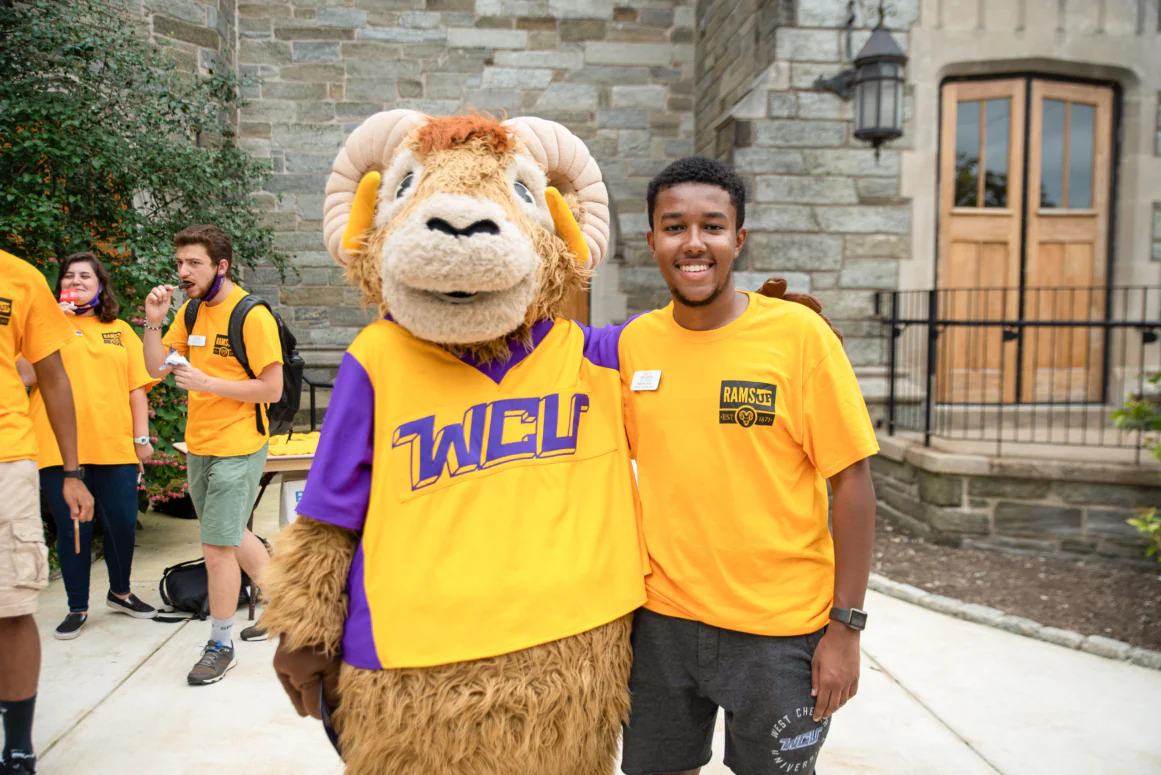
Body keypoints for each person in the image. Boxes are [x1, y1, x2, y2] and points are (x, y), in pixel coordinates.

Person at [616, 158, 879, 775]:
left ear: (739, 238)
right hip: (662, 624)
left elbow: (853, 482)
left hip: (780, 632)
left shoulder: (798, 337)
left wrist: (846, 627)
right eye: (674, 226)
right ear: (652, 239)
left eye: (712, 225)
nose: (693, 243)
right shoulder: (634, 345)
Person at [141, 225, 283, 686]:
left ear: (220, 265)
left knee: (216, 548)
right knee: (231, 533)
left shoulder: (251, 315)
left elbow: (273, 388)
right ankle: (288, 608)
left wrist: (208, 384)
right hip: (200, 444)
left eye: (193, 263)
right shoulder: (191, 310)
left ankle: (219, 644)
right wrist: (154, 322)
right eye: (180, 263)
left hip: (239, 444)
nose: (183, 272)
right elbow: (156, 368)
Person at [17, 253, 159, 640]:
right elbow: (24, 375)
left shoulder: (119, 330)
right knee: (73, 527)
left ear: (100, 285)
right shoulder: (44, 326)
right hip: (58, 447)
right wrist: (52, 319)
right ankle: (77, 606)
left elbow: (137, 388)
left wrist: (141, 440)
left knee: (123, 523)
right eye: (68, 276)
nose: (76, 281)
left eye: (85, 276)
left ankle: (120, 591)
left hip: (113, 443)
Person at [0, 249, 94, 775]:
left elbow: (53, 377)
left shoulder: (19, 277)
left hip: (6, 455)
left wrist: (71, 472)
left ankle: (17, 748)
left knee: (11, 603)